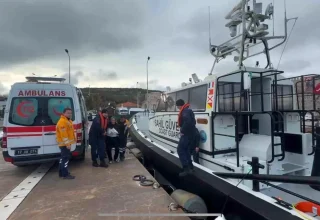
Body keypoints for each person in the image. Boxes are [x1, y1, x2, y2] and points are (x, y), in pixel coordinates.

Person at [176, 99, 196, 177]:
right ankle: (191, 167)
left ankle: (186, 169)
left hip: (186, 134)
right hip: (191, 134)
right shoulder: (188, 110)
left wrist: (182, 130)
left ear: (179, 105)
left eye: (177, 106)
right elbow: (192, 122)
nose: (178, 108)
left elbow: (188, 122)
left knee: (180, 149)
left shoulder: (185, 111)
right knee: (186, 150)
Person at [56, 108, 76, 179]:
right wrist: (67, 144)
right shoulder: (62, 122)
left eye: (70, 113)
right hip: (64, 144)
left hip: (65, 144)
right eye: (68, 113)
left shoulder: (68, 120)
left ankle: (62, 173)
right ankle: (65, 174)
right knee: (65, 159)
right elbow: (64, 134)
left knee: (63, 158)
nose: (69, 114)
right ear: (64, 113)